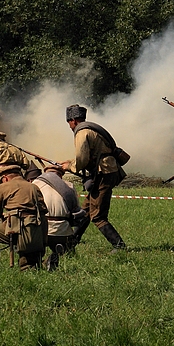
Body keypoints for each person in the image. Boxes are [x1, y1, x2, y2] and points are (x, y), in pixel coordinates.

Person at [60, 104, 127, 252]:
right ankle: (69, 246)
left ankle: (119, 246)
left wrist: (69, 167)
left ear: (73, 120)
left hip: (103, 173)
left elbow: (82, 159)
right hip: (106, 171)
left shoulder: (81, 133)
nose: (70, 126)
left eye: (69, 123)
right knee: (85, 212)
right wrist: (70, 163)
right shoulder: (90, 129)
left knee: (97, 216)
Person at [0, 165, 48, 271]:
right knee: (28, 265)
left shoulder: (3, 187)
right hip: (36, 230)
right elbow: (43, 210)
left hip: (17, 230)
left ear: (5, 178)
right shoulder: (33, 187)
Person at [32, 164, 89, 271]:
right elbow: (76, 210)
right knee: (69, 254)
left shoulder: (35, 184)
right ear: (61, 176)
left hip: (41, 231)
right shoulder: (69, 186)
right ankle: (61, 251)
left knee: (33, 257)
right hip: (63, 231)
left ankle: (45, 262)